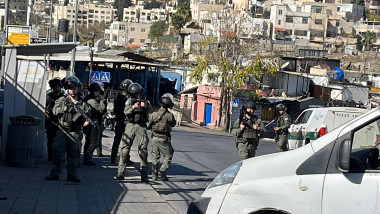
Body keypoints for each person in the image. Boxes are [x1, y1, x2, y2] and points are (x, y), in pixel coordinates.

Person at [45, 76, 89, 183]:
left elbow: (87, 114)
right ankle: (55, 174)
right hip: (62, 130)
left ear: (78, 89)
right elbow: (55, 111)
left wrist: (85, 120)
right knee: (57, 153)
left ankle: (72, 175)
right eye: (70, 89)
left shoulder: (82, 102)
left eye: (74, 89)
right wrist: (66, 108)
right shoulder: (61, 100)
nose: (72, 91)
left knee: (73, 155)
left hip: (74, 131)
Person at [114, 83, 152, 182]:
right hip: (130, 125)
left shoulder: (145, 101)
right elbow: (126, 112)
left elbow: (151, 110)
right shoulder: (130, 101)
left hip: (141, 126)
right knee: (125, 149)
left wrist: (146, 106)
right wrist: (134, 107)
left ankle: (144, 175)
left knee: (143, 150)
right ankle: (120, 173)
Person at [147, 95, 176, 181]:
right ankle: (163, 170)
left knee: (155, 157)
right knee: (168, 155)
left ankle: (154, 176)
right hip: (164, 138)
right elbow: (173, 124)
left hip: (155, 137)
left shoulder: (153, 114)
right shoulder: (169, 115)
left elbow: (148, 125)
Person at [82, 82, 106, 165]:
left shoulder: (91, 99)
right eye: (97, 91)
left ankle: (87, 158)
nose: (98, 93)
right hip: (91, 122)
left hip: (93, 121)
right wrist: (102, 100)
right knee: (94, 142)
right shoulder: (91, 100)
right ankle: (87, 158)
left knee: (89, 141)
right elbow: (101, 109)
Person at [111, 79, 133, 164]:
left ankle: (113, 158)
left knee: (116, 141)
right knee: (127, 142)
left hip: (118, 120)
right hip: (126, 121)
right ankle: (125, 159)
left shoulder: (117, 96)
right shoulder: (128, 98)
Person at [45, 77, 65, 161]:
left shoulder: (63, 96)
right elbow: (45, 107)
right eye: (55, 86)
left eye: (58, 86)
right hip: (51, 120)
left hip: (61, 119)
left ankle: (61, 156)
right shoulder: (49, 96)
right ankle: (50, 156)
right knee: (50, 139)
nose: (57, 88)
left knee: (61, 140)